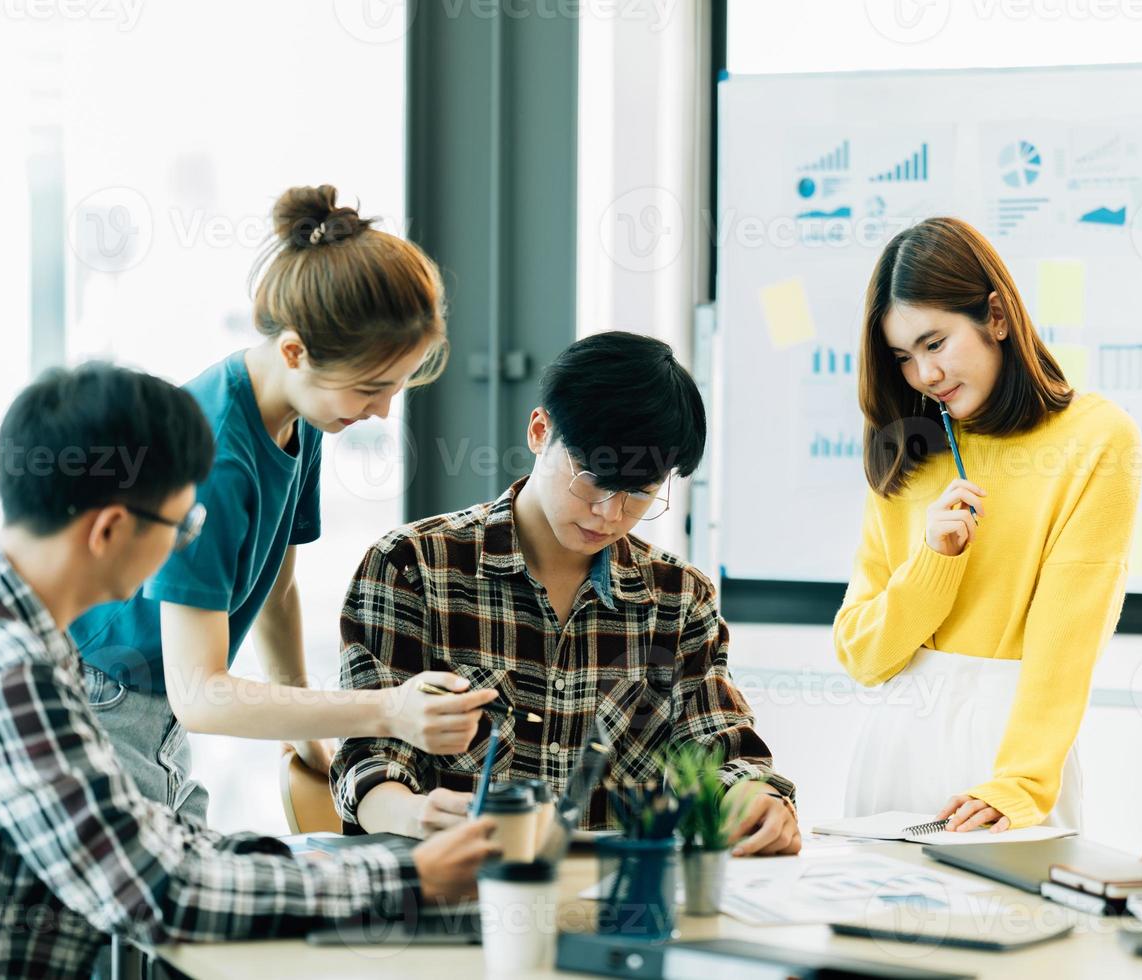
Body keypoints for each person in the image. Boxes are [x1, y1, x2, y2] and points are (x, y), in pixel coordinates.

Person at [0, 363, 497, 978]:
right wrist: (411, 878)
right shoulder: (12, 670)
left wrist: (327, 864)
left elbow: (145, 834)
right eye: (185, 526)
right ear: (110, 530)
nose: (184, 548)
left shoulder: (20, 635)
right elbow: (160, 889)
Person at [69, 185, 489, 824]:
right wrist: (387, 710)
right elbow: (201, 696)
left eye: (397, 386)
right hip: (105, 695)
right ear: (295, 350)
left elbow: (276, 585)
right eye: (370, 388)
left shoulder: (303, 414)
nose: (382, 411)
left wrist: (297, 714)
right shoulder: (212, 455)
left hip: (152, 698)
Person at [331, 331, 801, 856]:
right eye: (595, 480)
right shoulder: (413, 567)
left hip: (611, 905)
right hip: (450, 890)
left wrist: (752, 799)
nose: (610, 513)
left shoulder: (678, 598)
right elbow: (369, 761)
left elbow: (718, 747)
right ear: (539, 431)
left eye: (641, 492)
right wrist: (415, 814)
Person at [834, 217, 1142, 833]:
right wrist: (934, 560)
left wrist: (1022, 784)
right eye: (903, 357)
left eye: (935, 343)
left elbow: (1068, 637)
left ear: (996, 317)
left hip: (1010, 759)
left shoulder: (1095, 438)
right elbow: (863, 655)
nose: (924, 375)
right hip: (894, 747)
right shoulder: (908, 448)